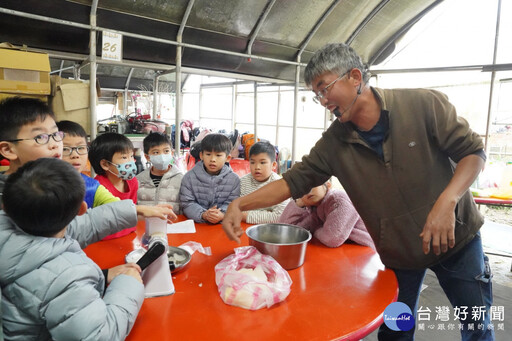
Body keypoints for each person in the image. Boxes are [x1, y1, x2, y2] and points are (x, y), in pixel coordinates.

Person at [222, 43, 492, 340]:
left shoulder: (423, 105)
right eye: (316, 95)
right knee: (395, 332)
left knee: (477, 327)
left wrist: (447, 201)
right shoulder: (334, 144)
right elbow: (291, 182)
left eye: (324, 88)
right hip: (400, 255)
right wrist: (240, 204)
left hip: (458, 240)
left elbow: (473, 152)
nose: (323, 100)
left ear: (354, 76)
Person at [0, 158, 143, 341]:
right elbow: (99, 336)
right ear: (82, 209)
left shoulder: (15, 228)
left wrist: (134, 211)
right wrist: (127, 284)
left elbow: (82, 225)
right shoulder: (65, 279)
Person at [278, 181, 374, 249]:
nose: (307, 191)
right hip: (341, 250)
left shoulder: (338, 199)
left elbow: (333, 238)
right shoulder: (314, 208)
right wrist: (298, 204)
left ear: (328, 185)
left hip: (363, 249)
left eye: (312, 185)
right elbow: (285, 229)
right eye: (301, 190)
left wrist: (315, 230)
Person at [57, 120, 119, 209]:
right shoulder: (38, 187)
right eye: (65, 149)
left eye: (81, 148)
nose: (75, 155)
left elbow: (120, 209)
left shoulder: (92, 187)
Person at [179, 133, 240, 224]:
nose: (212, 159)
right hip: (196, 226)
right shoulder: (189, 177)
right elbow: (187, 203)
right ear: (201, 155)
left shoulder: (234, 180)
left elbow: (233, 203)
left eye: (218, 155)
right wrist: (203, 214)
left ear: (227, 158)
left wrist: (222, 215)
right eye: (208, 154)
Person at [89, 132, 139, 239]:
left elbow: (131, 217)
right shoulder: (98, 187)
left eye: (131, 156)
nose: (131, 161)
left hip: (128, 237)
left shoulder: (133, 182)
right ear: (105, 164)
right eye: (124, 157)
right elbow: (102, 228)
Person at [240, 141, 288, 224]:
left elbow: (279, 216)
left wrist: (244, 216)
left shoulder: (280, 185)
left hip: (269, 230)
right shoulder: (243, 182)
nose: (257, 167)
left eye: (262, 162)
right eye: (252, 162)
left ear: (273, 165)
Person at [137, 132, 183, 214]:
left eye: (166, 151)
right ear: (147, 157)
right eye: (156, 152)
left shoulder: (181, 179)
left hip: (173, 223)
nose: (162, 156)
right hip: (145, 224)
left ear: (171, 153)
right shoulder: (139, 180)